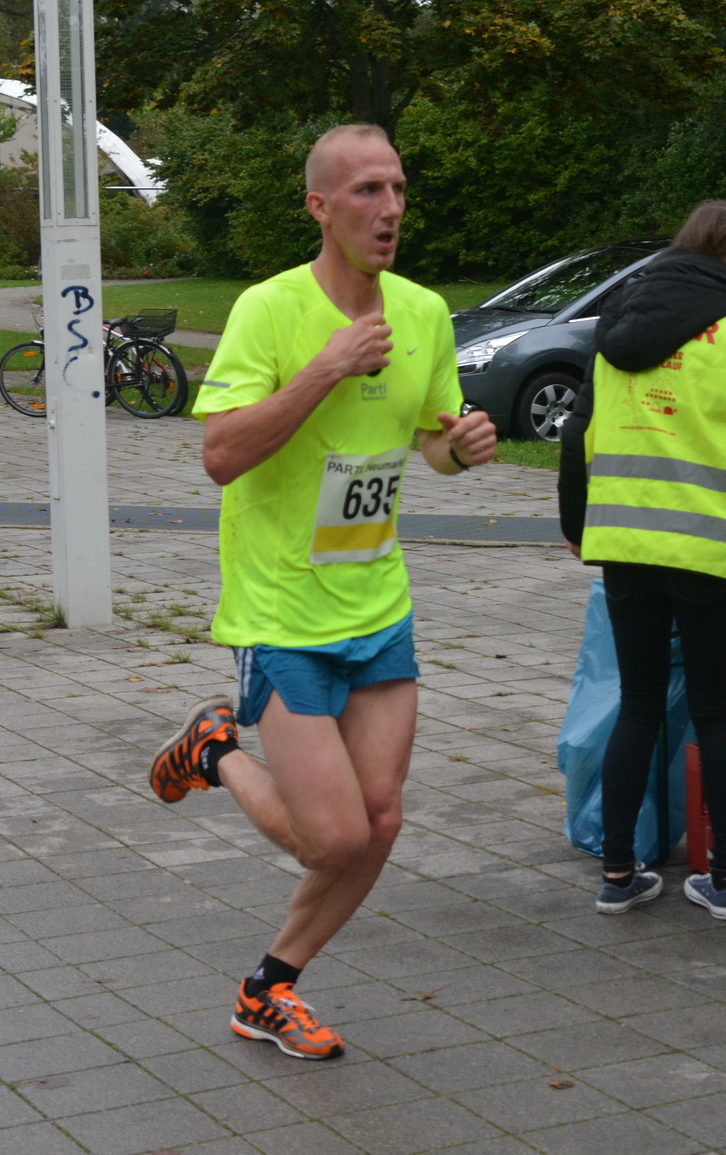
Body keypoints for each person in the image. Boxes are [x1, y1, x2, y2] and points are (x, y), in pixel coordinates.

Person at [147, 123, 497, 1061]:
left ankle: (270, 986)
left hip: (377, 602)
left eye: (398, 189)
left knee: (380, 819)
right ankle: (215, 747)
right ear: (320, 206)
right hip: (281, 610)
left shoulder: (424, 312)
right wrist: (327, 367)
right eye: (366, 193)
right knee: (328, 838)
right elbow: (220, 454)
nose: (389, 210)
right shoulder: (269, 310)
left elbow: (427, 436)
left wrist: (454, 451)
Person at [558, 199, 726, 920]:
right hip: (709, 545)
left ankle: (618, 874)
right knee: (717, 711)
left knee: (639, 706)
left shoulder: (616, 324)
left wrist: (576, 524)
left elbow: (576, 435)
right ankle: (722, 881)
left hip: (624, 543)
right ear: (720, 261)